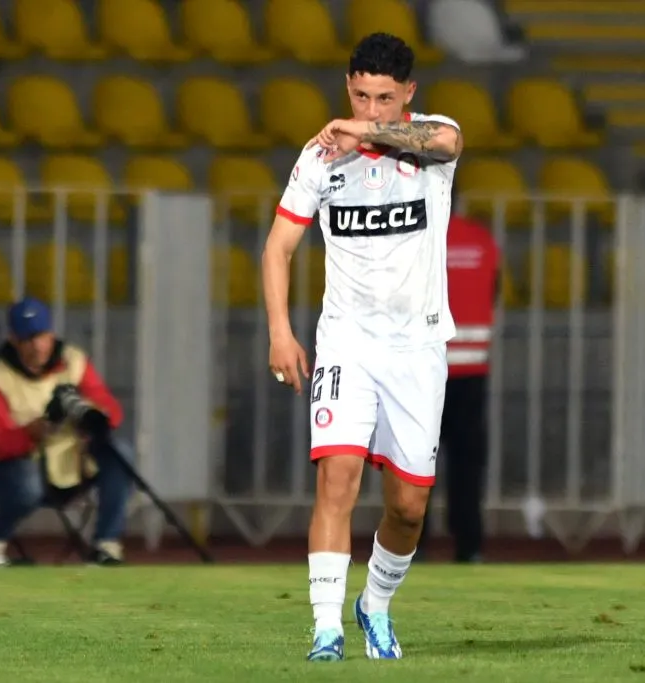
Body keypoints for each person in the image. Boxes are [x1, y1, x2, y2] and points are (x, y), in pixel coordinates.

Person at [261, 32, 463, 662]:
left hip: (418, 346)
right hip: (346, 341)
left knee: (408, 507)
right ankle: (326, 632)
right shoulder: (319, 157)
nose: (370, 107)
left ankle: (373, 604)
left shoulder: (432, 139)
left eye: (383, 97)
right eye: (359, 95)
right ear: (347, 85)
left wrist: (367, 133)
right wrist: (280, 331)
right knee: (337, 480)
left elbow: (449, 142)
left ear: (408, 94)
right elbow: (278, 247)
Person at [0, 296, 132, 566]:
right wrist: (30, 433)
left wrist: (91, 418)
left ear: (52, 333)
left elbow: (109, 408)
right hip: (18, 473)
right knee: (27, 482)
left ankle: (107, 544)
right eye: (28, 339)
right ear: (13, 340)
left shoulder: (74, 362)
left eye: (42, 336)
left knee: (121, 452)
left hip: (73, 463)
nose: (37, 346)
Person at [418, 208, 500, 563]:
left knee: (415, 463)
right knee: (467, 464)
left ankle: (411, 546)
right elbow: (494, 291)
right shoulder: (481, 240)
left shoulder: (418, 238)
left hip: (424, 371)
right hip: (472, 371)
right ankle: (469, 547)